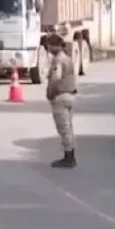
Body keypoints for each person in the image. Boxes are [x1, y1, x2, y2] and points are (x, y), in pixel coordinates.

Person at [45, 34, 77, 168]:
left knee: (63, 129)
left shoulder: (58, 60)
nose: (48, 48)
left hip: (60, 96)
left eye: (49, 45)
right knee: (68, 128)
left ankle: (69, 157)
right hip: (70, 95)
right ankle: (70, 155)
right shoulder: (67, 59)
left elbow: (56, 77)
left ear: (54, 46)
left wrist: (50, 92)